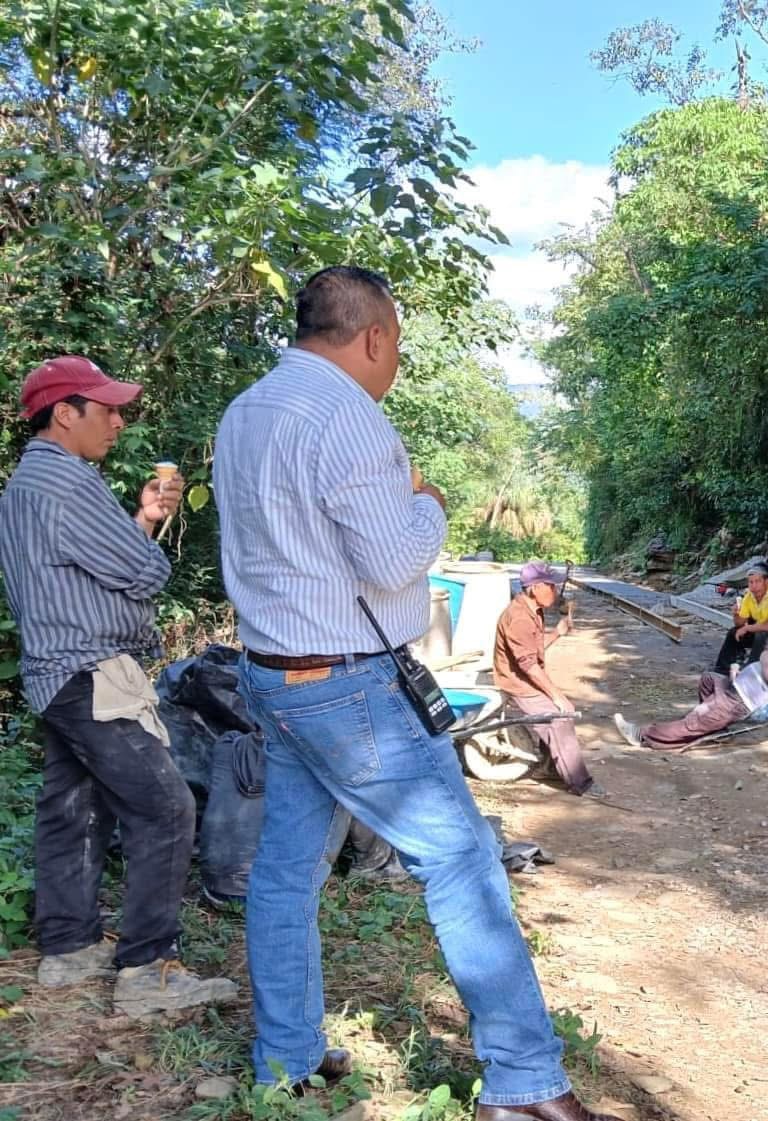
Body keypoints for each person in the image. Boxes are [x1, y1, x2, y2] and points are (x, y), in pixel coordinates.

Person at [213, 266, 617, 1121]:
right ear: (373, 337)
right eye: (394, 342)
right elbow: (396, 558)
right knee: (462, 861)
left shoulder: (245, 410)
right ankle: (523, 1080)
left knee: (286, 872)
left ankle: (283, 1057)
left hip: (274, 675)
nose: (393, 360)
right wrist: (427, 502)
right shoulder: (350, 417)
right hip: (348, 686)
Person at [0, 356, 238, 1016]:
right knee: (165, 807)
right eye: (105, 408)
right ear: (64, 413)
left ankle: (69, 947)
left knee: (72, 807)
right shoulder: (67, 482)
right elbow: (145, 571)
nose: (118, 419)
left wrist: (139, 519)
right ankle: (146, 970)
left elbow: (88, 571)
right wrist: (145, 542)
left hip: (57, 671)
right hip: (90, 672)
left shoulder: (29, 483)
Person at [616, 622, 768, 750]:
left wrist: (766, 657)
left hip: (740, 700)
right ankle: (714, 723)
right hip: (736, 688)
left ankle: (642, 735)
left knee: (694, 720)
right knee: (709, 679)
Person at [491, 561, 599, 797]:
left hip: (525, 679)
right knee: (559, 718)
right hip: (518, 683)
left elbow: (534, 650)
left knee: (560, 715)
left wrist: (557, 633)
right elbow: (529, 665)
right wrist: (558, 697)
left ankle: (549, 769)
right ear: (535, 588)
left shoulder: (532, 610)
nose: (555, 590)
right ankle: (580, 782)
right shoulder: (519, 618)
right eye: (550, 586)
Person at [712, 564, 768, 673]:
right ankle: (722, 669)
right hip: (767, 634)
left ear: (766, 582)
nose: (753, 586)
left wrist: (747, 628)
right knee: (733, 633)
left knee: (761, 635)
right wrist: (736, 614)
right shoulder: (749, 596)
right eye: (750, 582)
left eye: (757, 581)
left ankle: (750, 671)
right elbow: (739, 623)